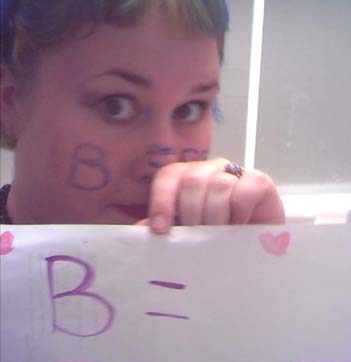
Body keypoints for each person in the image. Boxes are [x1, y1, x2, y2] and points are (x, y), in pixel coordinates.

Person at [0, 0, 285, 231]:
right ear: (9, 101)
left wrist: (254, 262)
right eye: (116, 105)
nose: (162, 163)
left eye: (189, 109)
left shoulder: (208, 254)